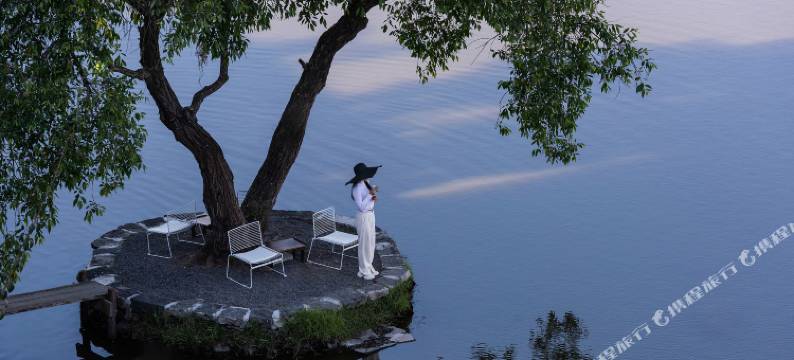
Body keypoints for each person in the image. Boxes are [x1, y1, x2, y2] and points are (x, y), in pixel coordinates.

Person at [345, 163, 381, 280]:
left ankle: (368, 266)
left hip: (371, 214)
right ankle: (363, 270)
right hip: (363, 216)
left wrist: (373, 196)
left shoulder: (366, 183)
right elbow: (361, 206)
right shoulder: (356, 188)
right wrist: (370, 195)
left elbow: (369, 201)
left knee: (371, 241)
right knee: (364, 243)